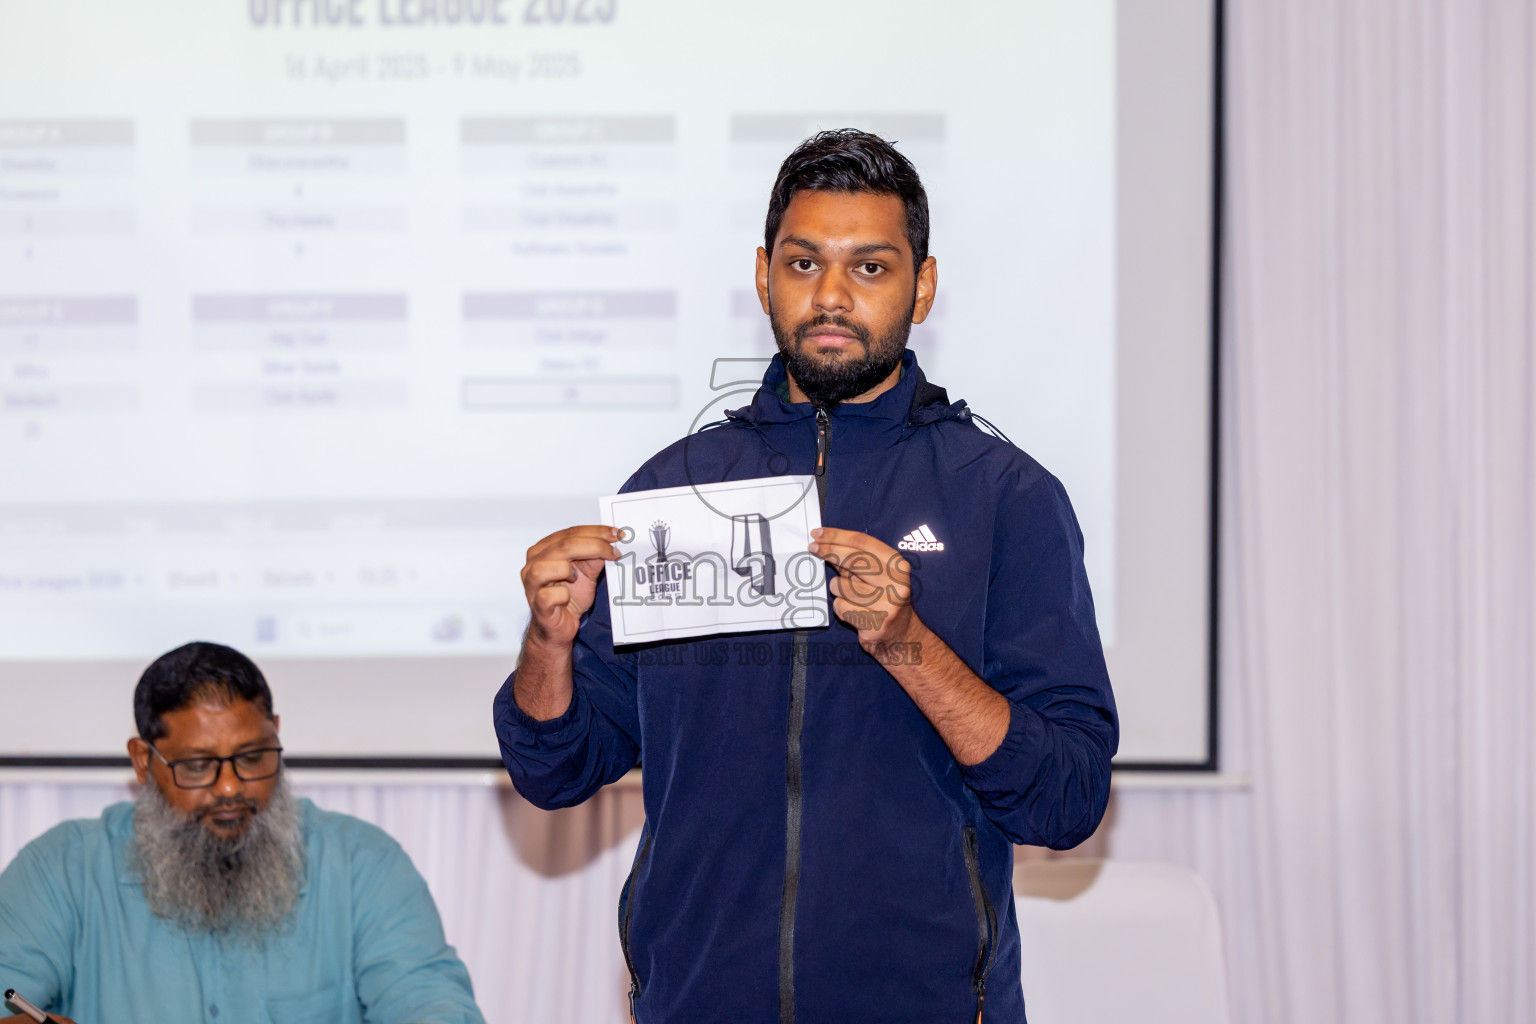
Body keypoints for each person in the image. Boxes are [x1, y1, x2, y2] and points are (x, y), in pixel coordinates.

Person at [495, 129, 1118, 1023]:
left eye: (870, 268)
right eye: (803, 264)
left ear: (923, 286)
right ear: (762, 277)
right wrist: (548, 645)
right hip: (697, 1004)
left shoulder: (1005, 497)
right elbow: (556, 768)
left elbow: (1066, 797)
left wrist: (905, 643)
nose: (830, 296)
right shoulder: (673, 490)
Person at [0, 641, 486, 1024]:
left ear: (276, 732)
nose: (231, 787)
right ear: (144, 761)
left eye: (253, 757)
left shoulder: (362, 864)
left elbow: (428, 999)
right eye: (197, 766)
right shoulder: (60, 872)